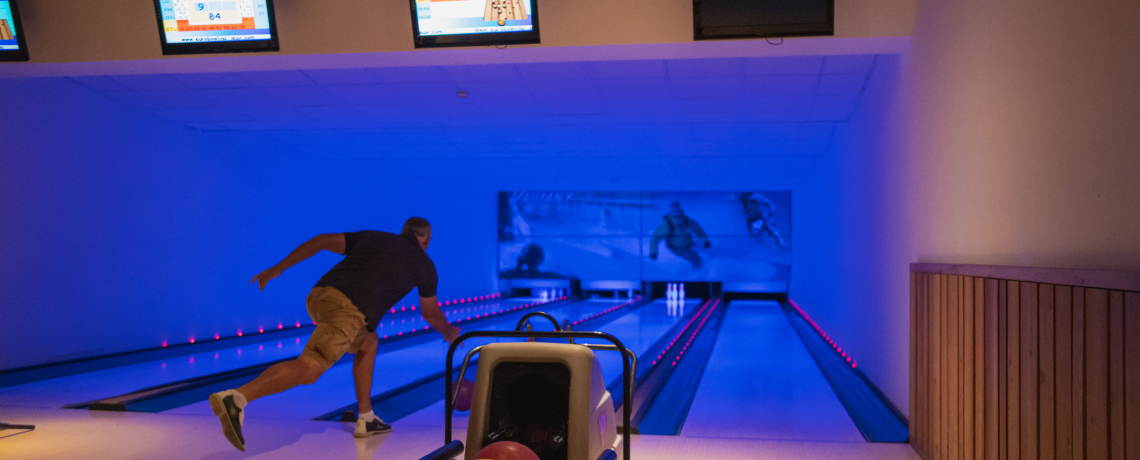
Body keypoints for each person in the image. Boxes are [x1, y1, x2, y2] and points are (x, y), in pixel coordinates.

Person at [208, 217, 461, 452]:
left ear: (403, 231)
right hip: (348, 311)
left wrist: (279, 268)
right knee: (310, 368)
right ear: (426, 242)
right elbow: (429, 312)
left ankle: (366, 418)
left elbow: (322, 240)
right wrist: (450, 331)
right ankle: (237, 398)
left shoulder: (374, 237)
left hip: (319, 296)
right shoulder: (425, 265)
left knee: (369, 340)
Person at [649, 201, 711, 269]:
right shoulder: (666, 223)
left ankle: (711, 264)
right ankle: (697, 274)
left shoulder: (685, 219)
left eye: (677, 211)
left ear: (680, 210)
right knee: (695, 258)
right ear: (670, 211)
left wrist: (705, 240)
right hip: (676, 247)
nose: (675, 213)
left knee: (707, 252)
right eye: (673, 211)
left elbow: (697, 229)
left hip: (690, 243)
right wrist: (653, 252)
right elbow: (655, 238)